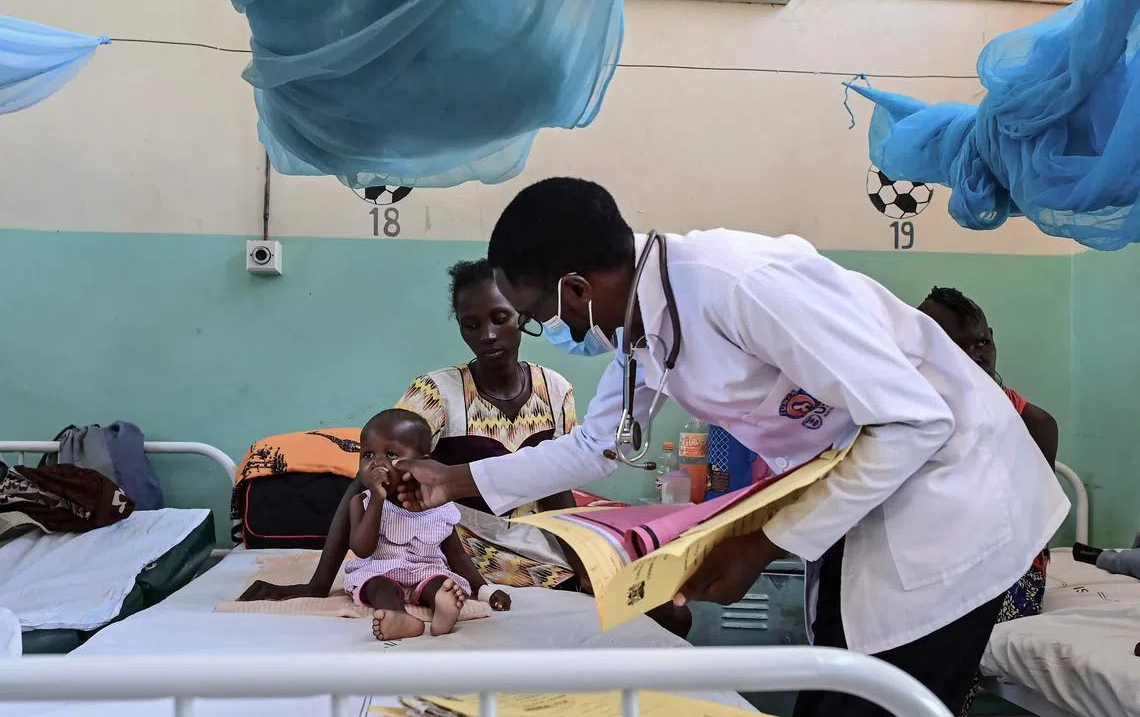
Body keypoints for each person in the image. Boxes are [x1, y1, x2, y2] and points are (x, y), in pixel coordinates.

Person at [393, 177, 1069, 717]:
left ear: (575, 287)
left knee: (879, 701)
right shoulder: (642, 330)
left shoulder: (738, 284)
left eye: (540, 316)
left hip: (952, 505)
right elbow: (597, 446)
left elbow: (914, 422)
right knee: (837, 690)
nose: (551, 328)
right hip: (865, 505)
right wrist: (451, 482)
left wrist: (764, 541)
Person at [238, 258, 691, 636]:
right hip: (466, 557)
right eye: (471, 325)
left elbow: (559, 487)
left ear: (522, 317)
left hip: (543, 550)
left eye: (499, 319)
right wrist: (319, 584)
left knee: (671, 611)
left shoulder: (556, 390)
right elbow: (368, 480)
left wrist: (587, 561)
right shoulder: (436, 394)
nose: (487, 335)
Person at [918, 286, 1060, 715]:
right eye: (954, 345)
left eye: (981, 341)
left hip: (1007, 573)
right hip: (936, 565)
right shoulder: (913, 419)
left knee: (946, 634)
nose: (974, 353)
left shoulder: (1033, 424)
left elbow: (1024, 530)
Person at [347, 409, 511, 640]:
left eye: (391, 454)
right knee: (378, 587)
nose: (377, 464)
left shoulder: (440, 509)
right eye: (368, 455)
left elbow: (458, 557)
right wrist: (376, 499)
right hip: (379, 571)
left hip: (425, 572)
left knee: (441, 583)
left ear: (421, 465)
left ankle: (442, 611)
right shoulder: (362, 502)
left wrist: (485, 590)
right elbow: (362, 549)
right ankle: (397, 617)